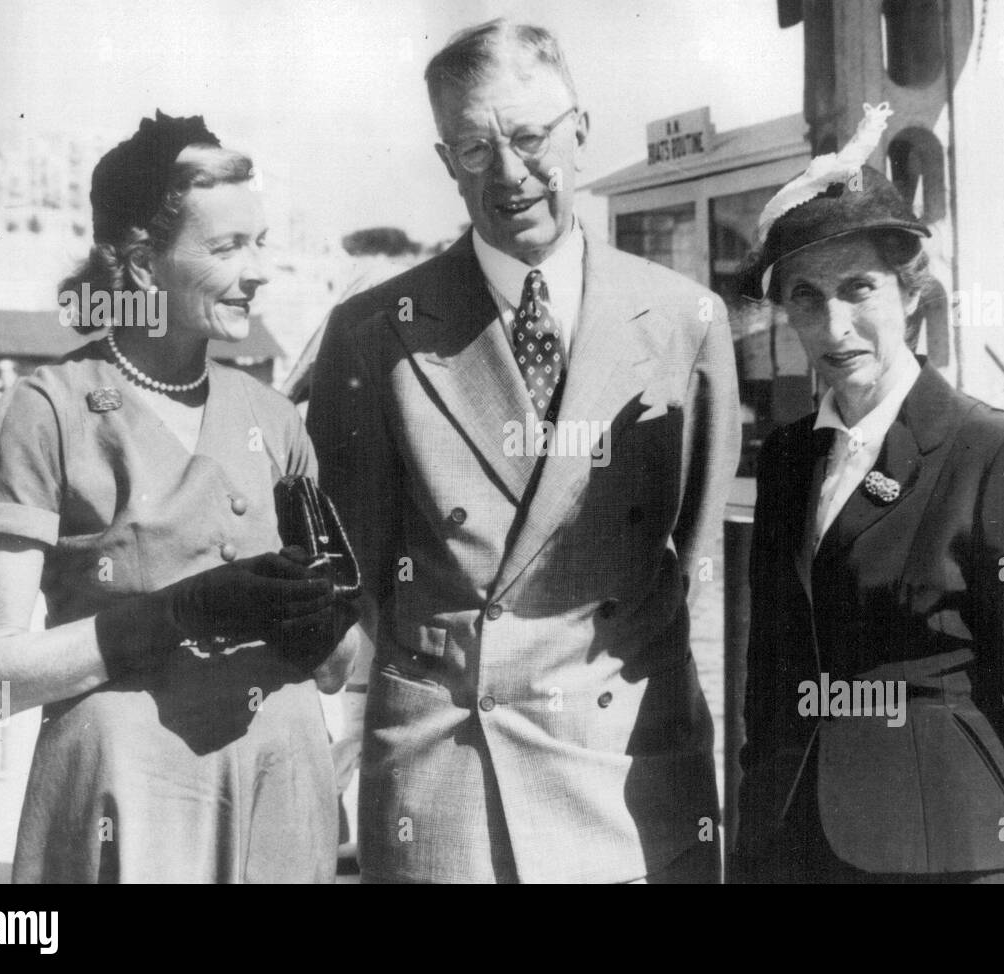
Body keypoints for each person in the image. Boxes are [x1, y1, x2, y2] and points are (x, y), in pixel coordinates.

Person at [307, 19, 741, 884]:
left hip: (624, 770)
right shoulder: (370, 334)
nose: (509, 173)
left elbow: (689, 556)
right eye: (475, 147)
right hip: (448, 776)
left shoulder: (686, 321)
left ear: (581, 129)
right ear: (446, 162)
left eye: (531, 136)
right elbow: (350, 573)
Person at [0, 111, 351, 883]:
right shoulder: (51, 409)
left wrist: (332, 624)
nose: (259, 269)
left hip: (280, 797)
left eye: (259, 242)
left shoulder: (274, 420)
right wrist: (175, 614)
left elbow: (340, 669)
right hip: (129, 805)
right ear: (141, 266)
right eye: (228, 247)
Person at [730, 106, 1004, 884]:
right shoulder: (790, 460)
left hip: (950, 859)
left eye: (859, 288)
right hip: (803, 850)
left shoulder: (995, 452)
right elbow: (769, 680)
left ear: (909, 292)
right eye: (806, 297)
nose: (835, 327)